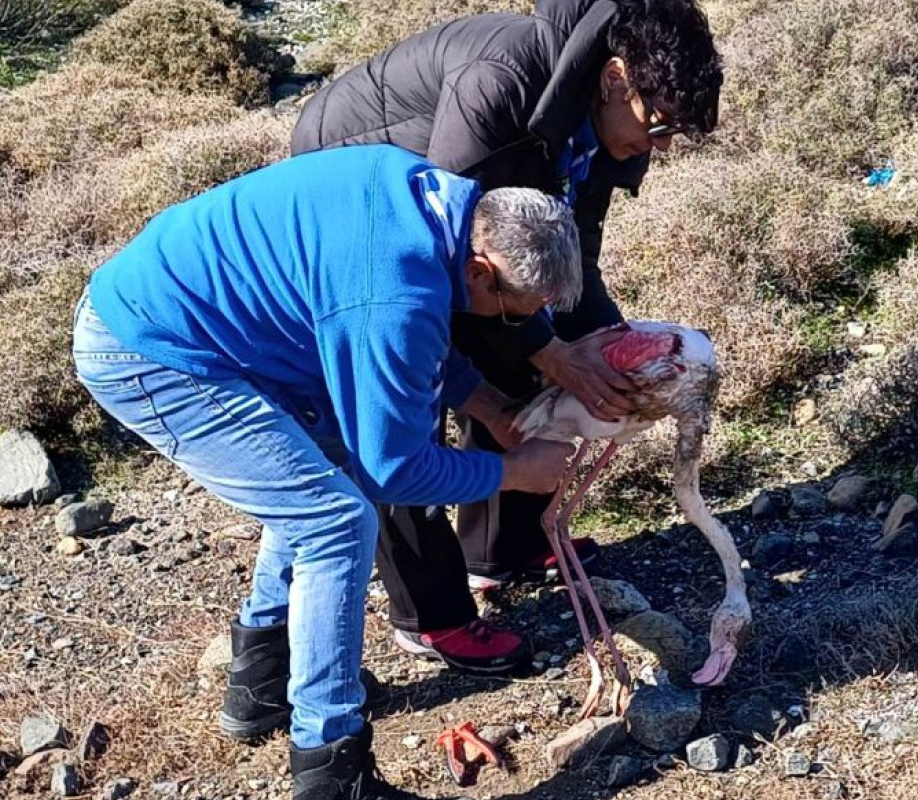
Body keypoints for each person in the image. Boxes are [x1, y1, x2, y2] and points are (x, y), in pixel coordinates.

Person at [72, 144, 581, 799]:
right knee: (334, 521)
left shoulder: (434, 205)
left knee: (321, 476)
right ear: (482, 271)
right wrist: (511, 472)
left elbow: (417, 340)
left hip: (197, 318)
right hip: (150, 349)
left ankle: (263, 679)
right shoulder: (395, 289)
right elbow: (394, 471)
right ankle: (331, 769)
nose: (516, 323)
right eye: (516, 311)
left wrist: (493, 409)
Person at [289, 0, 723, 679]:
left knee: (527, 333)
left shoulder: (594, 125)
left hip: (462, 218)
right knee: (402, 393)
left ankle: (500, 549)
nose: (662, 146)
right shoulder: (504, 83)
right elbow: (461, 255)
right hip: (359, 183)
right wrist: (551, 350)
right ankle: (431, 616)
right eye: (659, 124)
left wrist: (599, 342)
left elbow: (568, 259)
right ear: (616, 79)